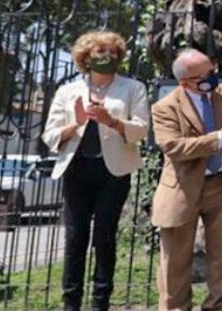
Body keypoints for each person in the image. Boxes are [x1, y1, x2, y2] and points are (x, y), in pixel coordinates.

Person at [41, 30, 149, 311]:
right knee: (75, 238)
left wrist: (111, 121)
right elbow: (50, 136)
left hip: (113, 172)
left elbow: (141, 130)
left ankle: (100, 302)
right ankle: (71, 303)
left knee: (105, 236)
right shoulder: (68, 90)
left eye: (113, 52)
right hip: (76, 170)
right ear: (86, 57)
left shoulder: (133, 88)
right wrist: (75, 123)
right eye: (101, 52)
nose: (108, 57)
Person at [151, 49, 222, 311]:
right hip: (182, 188)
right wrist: (220, 137)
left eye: (213, 70)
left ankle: (218, 306)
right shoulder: (165, 108)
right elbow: (173, 146)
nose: (212, 77)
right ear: (185, 82)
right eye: (204, 75)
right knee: (176, 258)